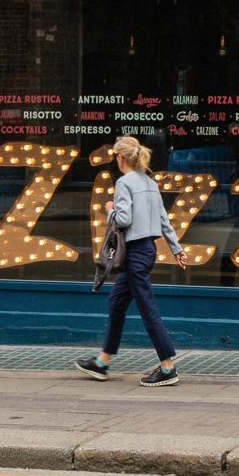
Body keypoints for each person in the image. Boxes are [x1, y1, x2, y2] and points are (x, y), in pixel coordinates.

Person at [77, 135, 187, 386]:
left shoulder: (124, 183)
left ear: (120, 158)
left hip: (135, 252)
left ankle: (168, 367)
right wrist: (176, 249)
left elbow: (123, 220)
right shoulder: (150, 182)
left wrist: (109, 209)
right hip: (146, 250)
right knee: (116, 302)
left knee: (147, 308)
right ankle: (102, 361)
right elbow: (164, 220)